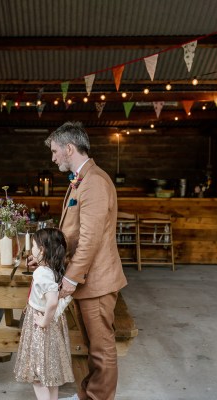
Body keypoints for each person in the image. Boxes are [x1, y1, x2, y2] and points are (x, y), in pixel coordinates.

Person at [46, 121, 127, 400]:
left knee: (101, 349)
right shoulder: (82, 178)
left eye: (56, 151)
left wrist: (69, 278)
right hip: (87, 278)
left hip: (97, 280)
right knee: (92, 345)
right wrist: (47, 255)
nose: (53, 157)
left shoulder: (94, 182)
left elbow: (90, 239)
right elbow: (74, 231)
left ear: (70, 149)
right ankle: (89, 395)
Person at [14, 228, 75, 400]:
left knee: (38, 376)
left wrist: (43, 322)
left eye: (34, 246)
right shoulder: (54, 268)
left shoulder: (42, 273)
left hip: (42, 324)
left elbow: (53, 301)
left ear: (42, 250)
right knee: (50, 373)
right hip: (53, 323)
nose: (31, 250)